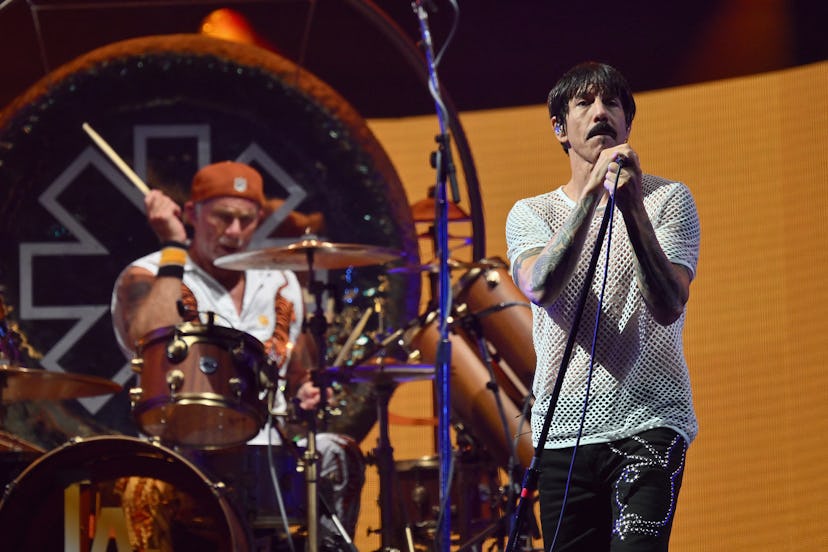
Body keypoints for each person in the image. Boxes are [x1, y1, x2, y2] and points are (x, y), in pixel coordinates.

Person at [111, 160, 365, 550]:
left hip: (267, 446)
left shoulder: (280, 280)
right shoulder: (148, 274)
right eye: (222, 218)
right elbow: (146, 337)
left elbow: (298, 378)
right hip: (184, 448)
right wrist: (173, 246)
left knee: (338, 454)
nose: (234, 231)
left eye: (246, 220)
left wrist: (306, 394)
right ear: (192, 213)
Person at [505, 62, 700, 551]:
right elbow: (540, 286)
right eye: (584, 104)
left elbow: (669, 304)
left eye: (612, 103)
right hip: (563, 435)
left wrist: (631, 205)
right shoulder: (531, 213)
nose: (600, 112)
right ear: (559, 129)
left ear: (627, 125)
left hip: (651, 422)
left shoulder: (668, 200)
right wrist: (591, 196)